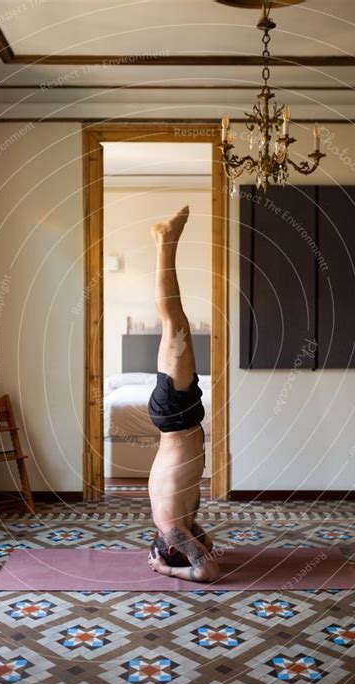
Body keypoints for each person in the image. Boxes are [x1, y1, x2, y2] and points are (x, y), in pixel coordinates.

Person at [147, 206, 220, 583]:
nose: (202, 546)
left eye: (190, 547)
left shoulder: (170, 524)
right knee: (176, 321)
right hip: (178, 416)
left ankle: (165, 239)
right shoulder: (176, 526)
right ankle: (164, 239)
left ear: (173, 546)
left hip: (176, 416)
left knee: (174, 320)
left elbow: (208, 571)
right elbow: (207, 551)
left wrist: (164, 569)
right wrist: (178, 554)